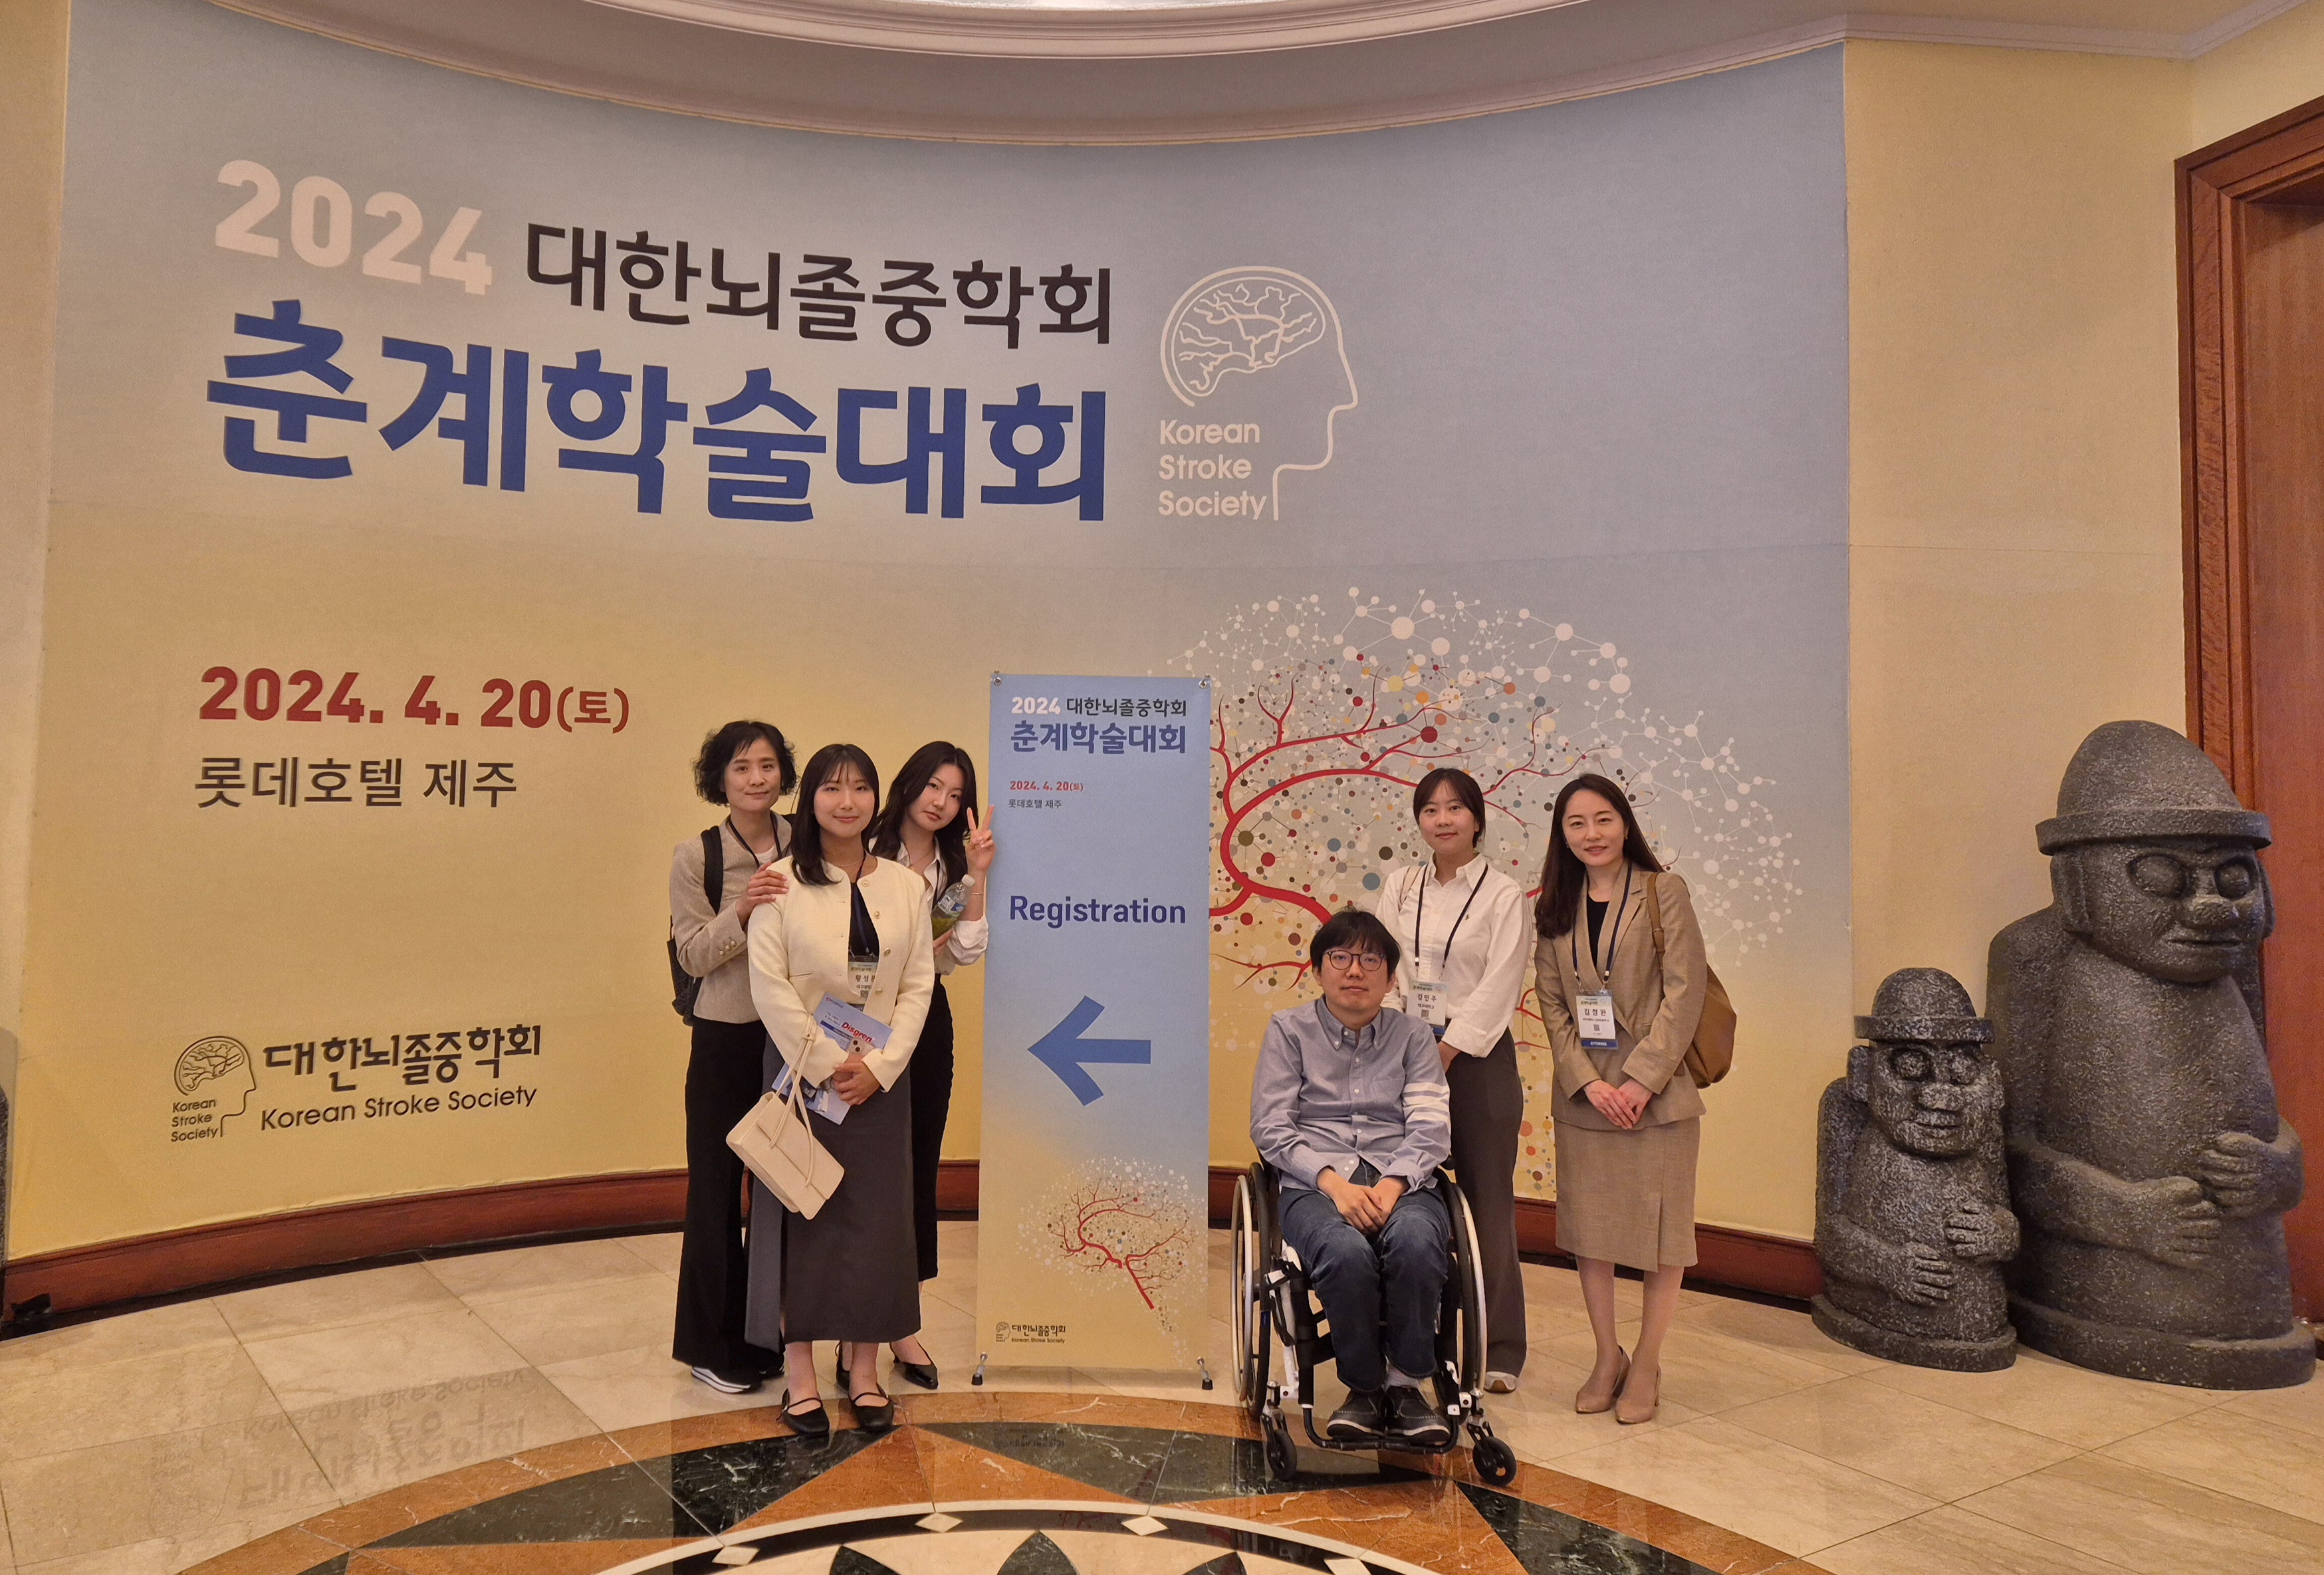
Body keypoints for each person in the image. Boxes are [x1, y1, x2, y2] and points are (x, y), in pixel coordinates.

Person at [744, 744, 935, 1437]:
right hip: (804, 1073)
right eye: (831, 788)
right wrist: (827, 1063)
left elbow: (917, 983)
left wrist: (882, 1066)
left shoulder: (907, 886)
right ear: (811, 800)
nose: (847, 802)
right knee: (804, 1217)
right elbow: (770, 986)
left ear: (876, 799)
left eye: (859, 788)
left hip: (880, 1078)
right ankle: (799, 1374)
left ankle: (863, 1371)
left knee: (877, 1223)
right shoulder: (779, 883)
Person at [1532, 773, 1707, 1425]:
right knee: (1592, 1237)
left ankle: (1649, 1361)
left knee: (1664, 1240)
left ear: (1624, 824)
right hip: (1586, 1100)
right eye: (1576, 823)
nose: (1592, 834)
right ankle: (1608, 1357)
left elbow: (1685, 993)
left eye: (1603, 819)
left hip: (1657, 1097)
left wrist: (1639, 1081)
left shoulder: (1664, 892)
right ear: (1562, 835)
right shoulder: (1554, 906)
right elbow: (1552, 1005)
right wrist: (1590, 1083)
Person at [1250, 909, 1453, 1444]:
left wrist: (1393, 1184)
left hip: (1401, 1177)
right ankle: (1363, 1388)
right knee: (1344, 1254)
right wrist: (1334, 1185)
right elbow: (1271, 1127)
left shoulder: (1414, 1036)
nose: (1355, 970)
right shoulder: (1289, 1031)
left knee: (1416, 1243)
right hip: (1314, 1183)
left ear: (1391, 978)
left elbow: (1432, 1126)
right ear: (1318, 970)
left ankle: (1406, 1386)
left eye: (1370, 960)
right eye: (1340, 957)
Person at [1373, 768, 1531, 1392]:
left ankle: (1500, 1348)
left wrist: (1445, 1050)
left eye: (1455, 808)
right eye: (1431, 809)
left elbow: (1500, 983)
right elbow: (1384, 966)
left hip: (1478, 1062)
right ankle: (1406, 1340)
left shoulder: (1503, 894)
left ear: (1477, 819)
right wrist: (1403, 1042)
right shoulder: (1401, 885)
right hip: (1402, 1054)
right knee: (1401, 1193)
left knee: (1488, 1202)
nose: (1443, 820)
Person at [668, 720, 797, 1395]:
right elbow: (692, 954)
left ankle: (765, 1335)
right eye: (742, 767)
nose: (756, 778)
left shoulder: (807, 841)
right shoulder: (698, 856)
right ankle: (709, 1346)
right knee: (717, 1190)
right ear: (719, 779)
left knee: (785, 1190)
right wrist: (744, 910)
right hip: (725, 1038)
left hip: (794, 1040)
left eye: (767, 765)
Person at [865, 741, 997, 1390]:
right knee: (858, 1167)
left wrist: (978, 874)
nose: (941, 803)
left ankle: (900, 1323)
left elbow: (964, 950)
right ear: (909, 783)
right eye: (933, 787)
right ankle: (837, 1318)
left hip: (924, 1019)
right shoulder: (865, 844)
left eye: (955, 794)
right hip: (856, 1017)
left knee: (916, 1167)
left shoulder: (953, 865)